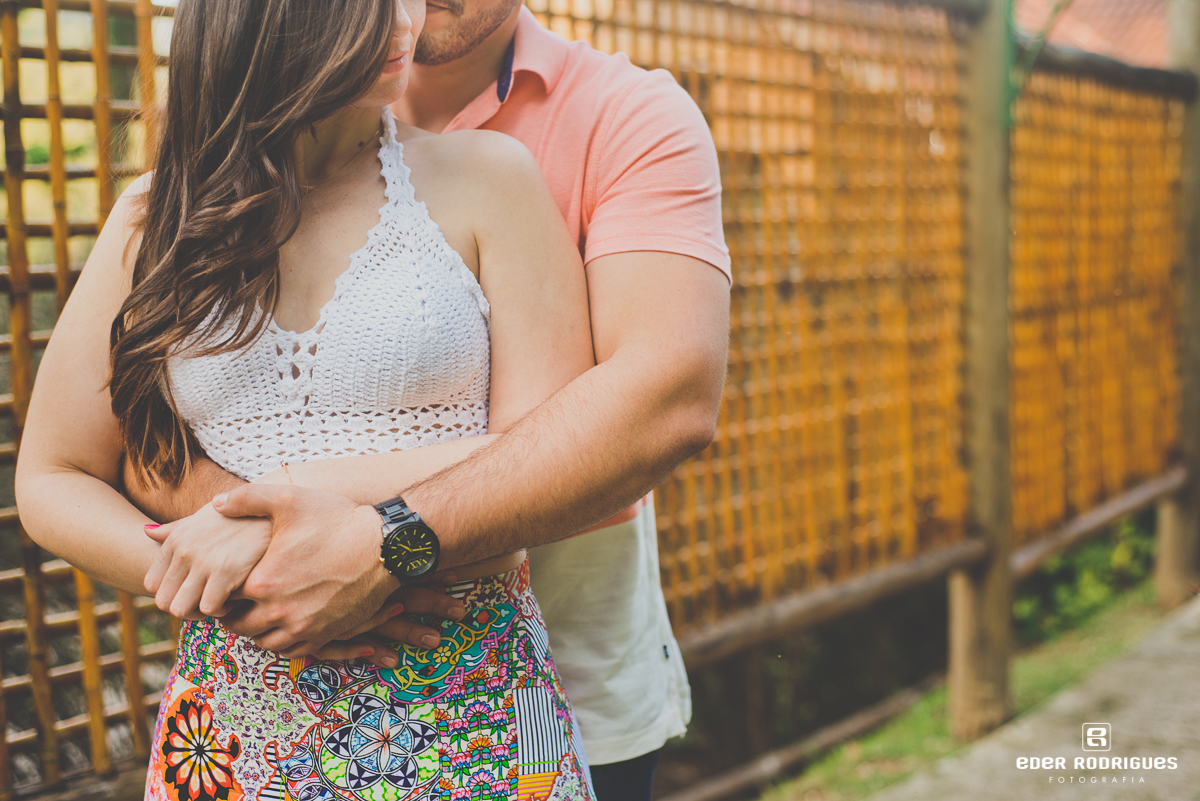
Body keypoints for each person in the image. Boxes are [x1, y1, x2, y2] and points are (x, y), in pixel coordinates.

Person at [125, 2, 731, 800]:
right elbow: (140, 432)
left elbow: (661, 403)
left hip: (555, 691)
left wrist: (371, 540)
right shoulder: (248, 139)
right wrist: (270, 547)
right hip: (274, 693)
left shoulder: (626, 116)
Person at [14, 0, 605, 799]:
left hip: (472, 703)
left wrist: (281, 514)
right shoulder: (154, 221)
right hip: (234, 725)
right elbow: (53, 473)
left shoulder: (488, 179)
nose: (405, 19)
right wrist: (219, 578)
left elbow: (554, 448)